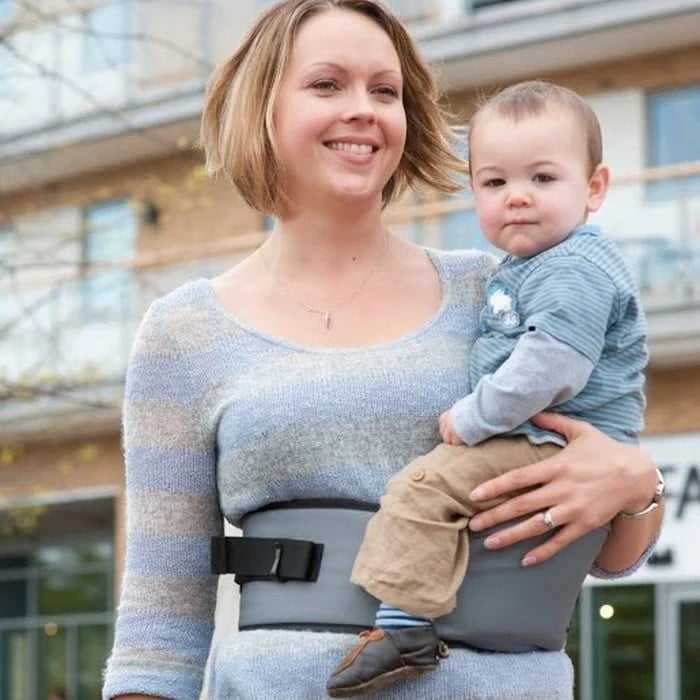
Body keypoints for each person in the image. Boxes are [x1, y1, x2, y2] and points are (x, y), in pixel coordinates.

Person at [101, 2, 664, 699]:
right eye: (327, 84)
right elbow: (159, 628)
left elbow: (613, 552)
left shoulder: (503, 292)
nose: (363, 109)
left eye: (385, 90)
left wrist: (638, 486)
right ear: (263, 108)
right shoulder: (185, 332)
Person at [326, 79, 651, 697]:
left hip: (553, 442)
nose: (518, 198)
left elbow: (552, 366)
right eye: (495, 183)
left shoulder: (575, 266)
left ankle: (404, 626)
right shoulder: (530, 266)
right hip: (545, 441)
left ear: (595, 188)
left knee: (426, 485)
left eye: (543, 179)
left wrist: (475, 417)